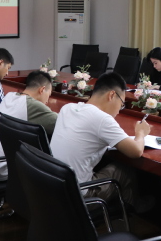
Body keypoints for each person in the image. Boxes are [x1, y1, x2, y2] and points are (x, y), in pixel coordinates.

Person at [50, 72, 151, 210]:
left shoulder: (67, 108)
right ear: (111, 95)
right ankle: (133, 211)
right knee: (124, 170)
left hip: (54, 186)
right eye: (121, 104)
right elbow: (136, 151)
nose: (119, 111)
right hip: (78, 196)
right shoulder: (102, 119)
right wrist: (140, 133)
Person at [0, 70, 57, 181]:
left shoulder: (9, 97)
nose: (47, 101)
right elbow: (60, 123)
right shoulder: (31, 105)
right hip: (2, 169)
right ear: (42, 90)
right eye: (49, 95)